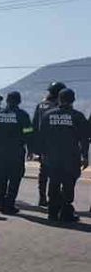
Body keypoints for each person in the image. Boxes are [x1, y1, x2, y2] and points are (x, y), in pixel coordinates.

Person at [40, 89, 88, 223]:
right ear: (73, 100)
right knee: (68, 184)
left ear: (59, 100)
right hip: (71, 157)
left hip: (52, 156)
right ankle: (66, 213)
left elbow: (41, 136)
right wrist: (85, 156)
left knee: (54, 183)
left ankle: (52, 212)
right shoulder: (77, 116)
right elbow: (84, 138)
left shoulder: (47, 115)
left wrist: (42, 154)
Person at [0, 91, 33, 215]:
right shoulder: (22, 115)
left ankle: (1, 205)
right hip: (16, 153)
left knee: (1, 179)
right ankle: (10, 204)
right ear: (19, 101)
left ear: (7, 101)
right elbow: (28, 134)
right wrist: (30, 150)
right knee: (15, 179)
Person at [32, 81, 67, 206]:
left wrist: (34, 147)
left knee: (43, 172)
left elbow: (35, 125)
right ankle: (54, 199)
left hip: (43, 145)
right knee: (57, 173)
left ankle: (42, 197)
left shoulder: (41, 105)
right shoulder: (58, 106)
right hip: (57, 145)